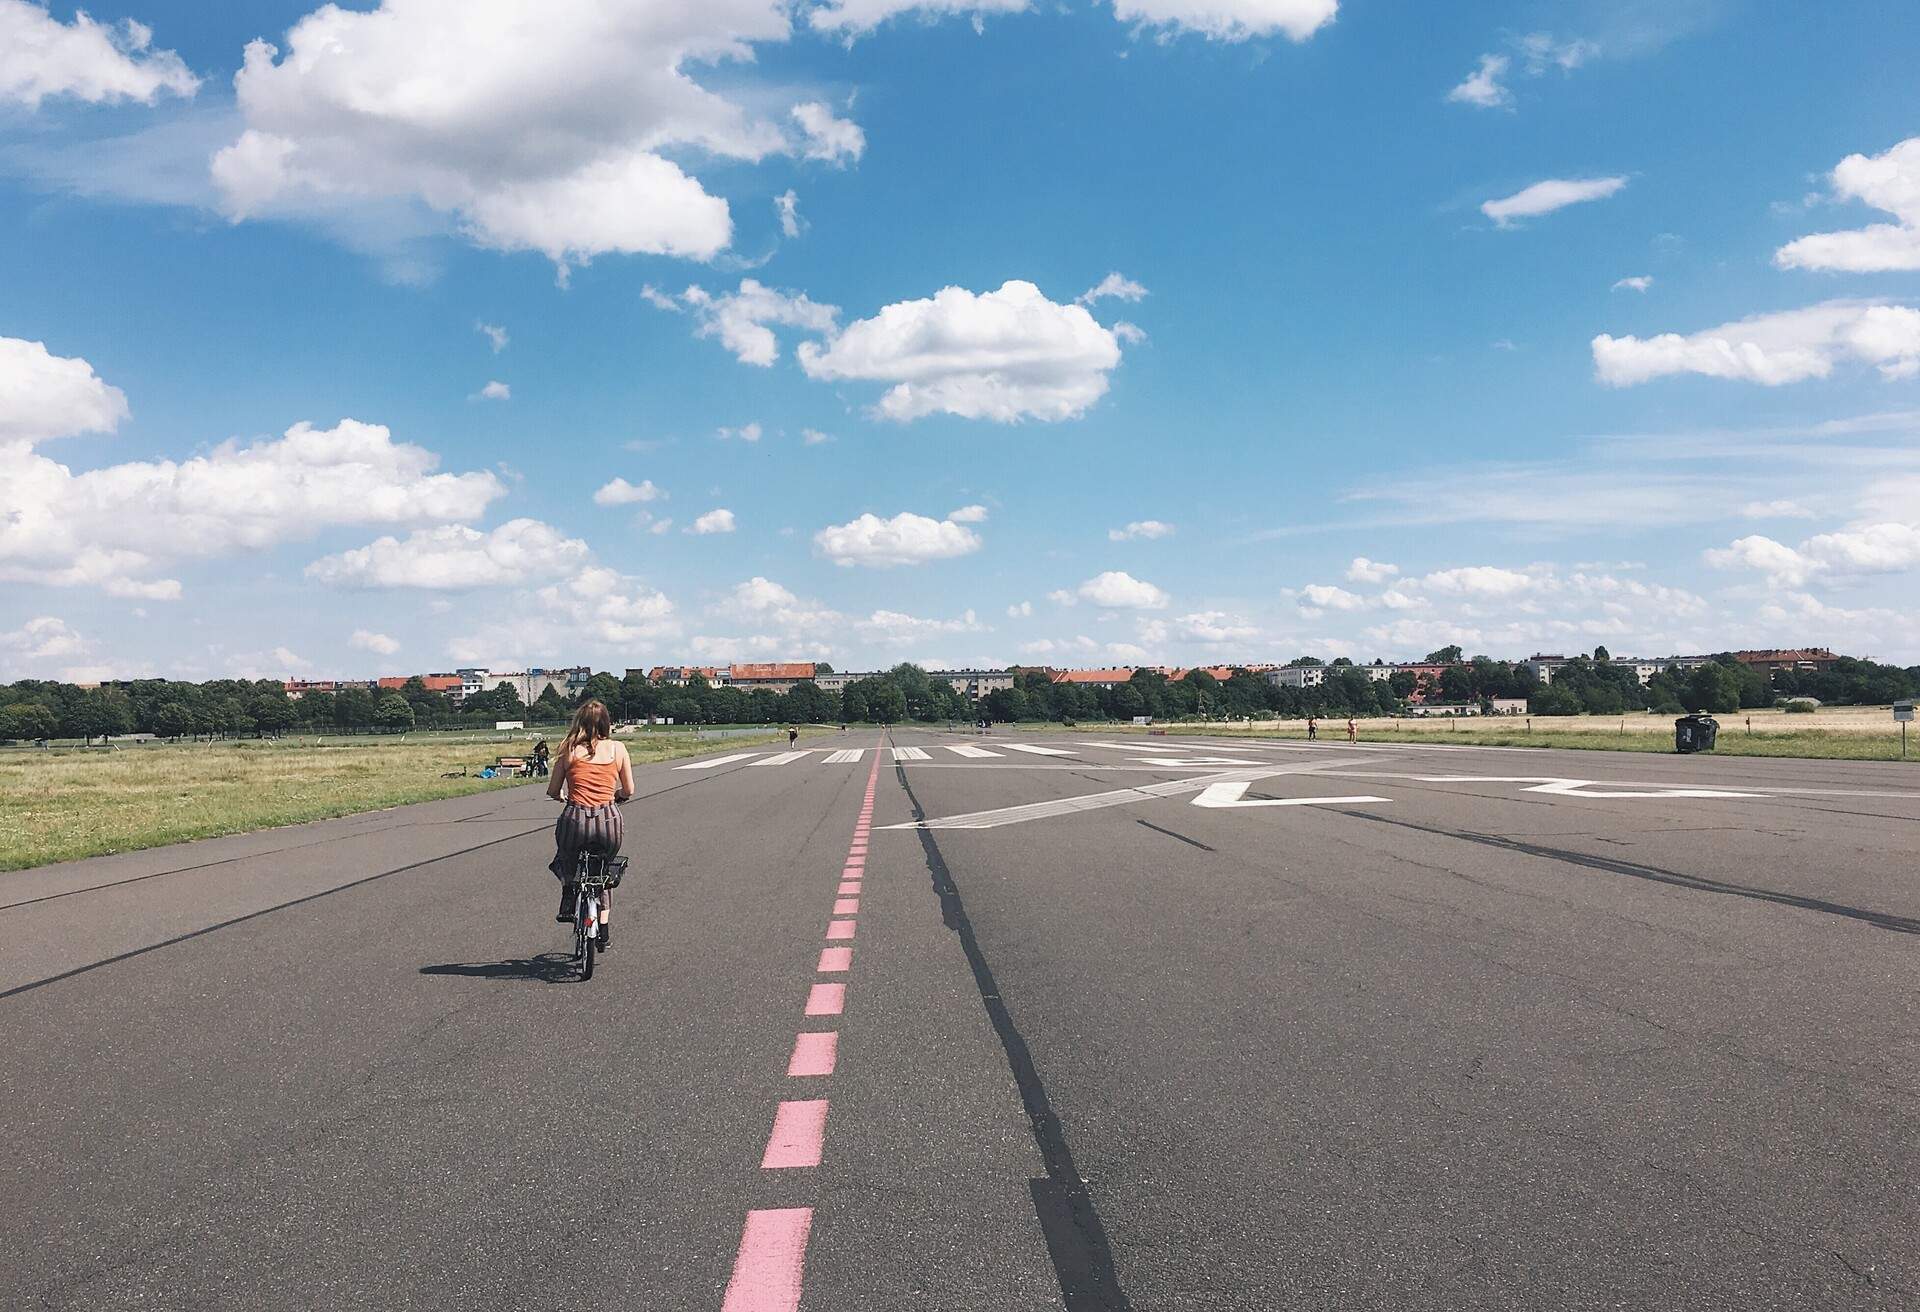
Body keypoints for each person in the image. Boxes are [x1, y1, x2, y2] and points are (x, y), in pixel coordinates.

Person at [546, 700, 633, 947]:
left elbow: (553, 789)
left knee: (565, 858)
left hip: (575, 819)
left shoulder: (568, 749)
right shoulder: (618, 749)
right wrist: (618, 796)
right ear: (606, 722)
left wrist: (562, 795)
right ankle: (602, 928)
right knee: (603, 872)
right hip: (608, 821)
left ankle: (568, 893)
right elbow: (629, 789)